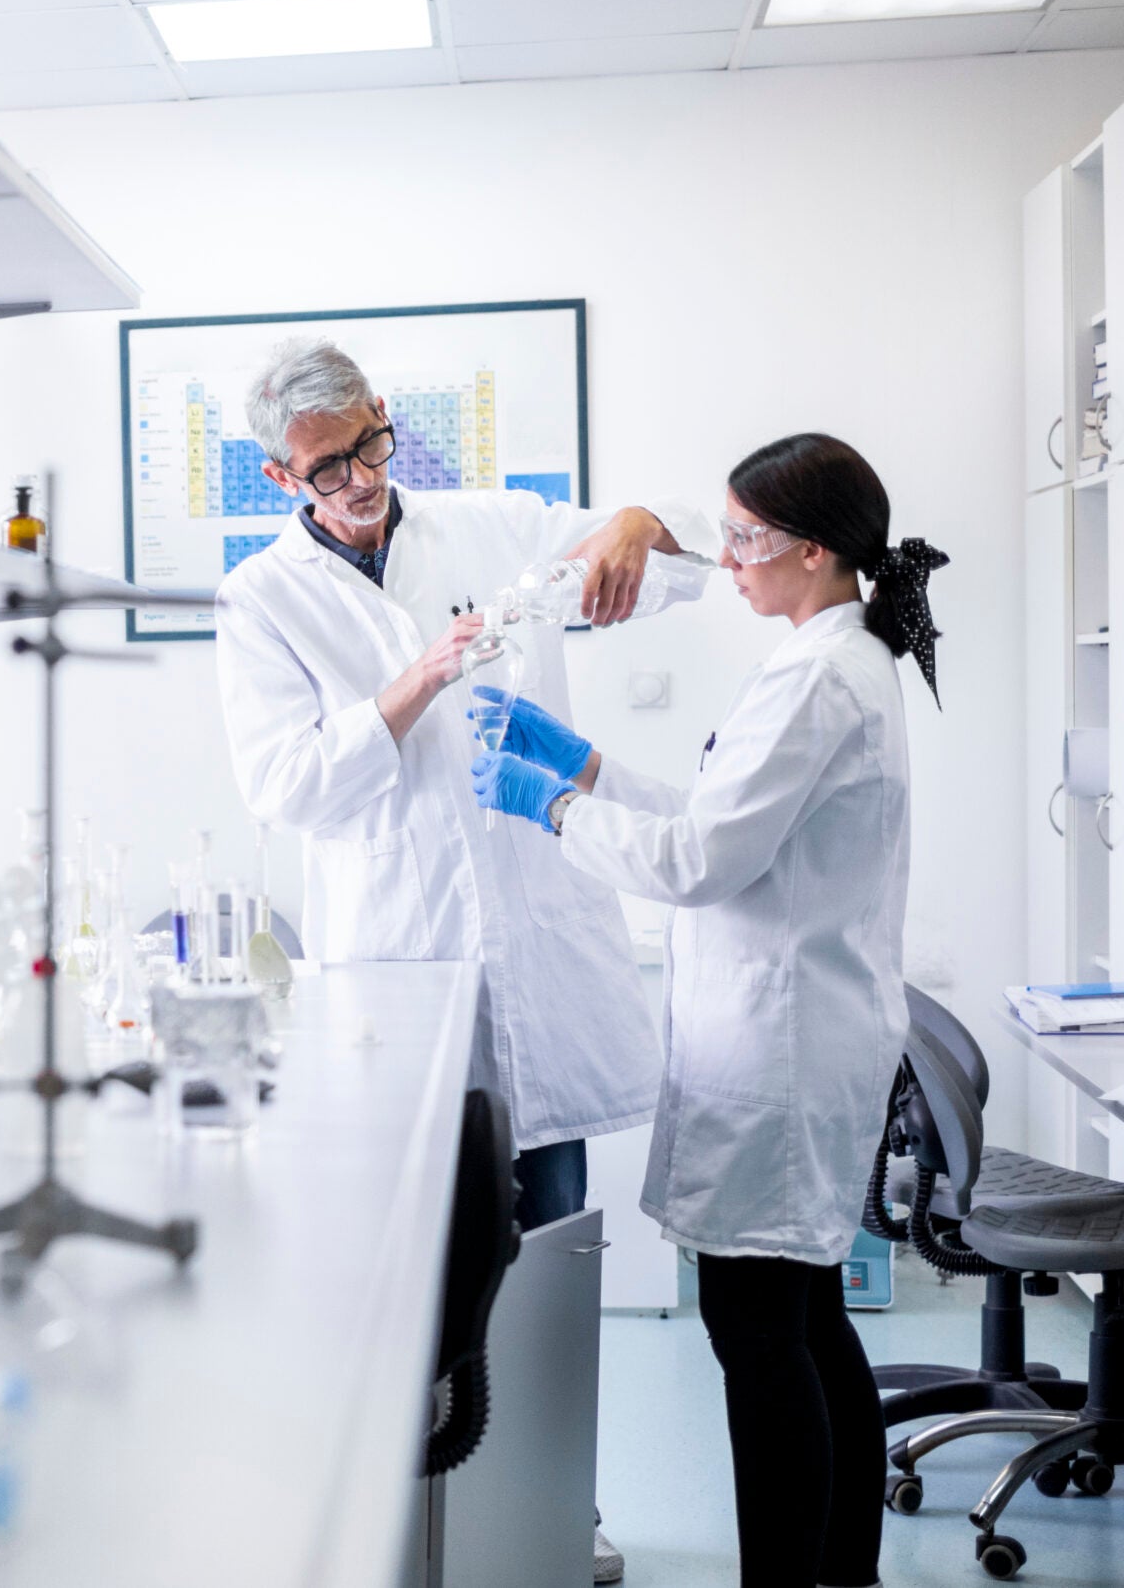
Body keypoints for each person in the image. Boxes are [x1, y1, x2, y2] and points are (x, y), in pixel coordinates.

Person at [218, 339, 713, 1582]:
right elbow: (283, 789)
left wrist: (636, 526)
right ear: (279, 469)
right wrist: (418, 678)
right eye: (325, 468)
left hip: (537, 953)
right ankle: (416, 1522)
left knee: (549, 1256)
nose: (356, 482)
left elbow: (675, 562)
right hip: (400, 967)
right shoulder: (261, 599)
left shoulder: (496, 526)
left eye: (368, 447)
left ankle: (556, 1514)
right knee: (418, 1274)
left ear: (387, 421)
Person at [470, 432, 944, 1588]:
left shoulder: (826, 676)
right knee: (805, 1319)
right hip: (790, 1035)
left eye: (743, 540)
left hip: (780, 1052)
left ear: (813, 551)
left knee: (756, 1336)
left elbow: (694, 861)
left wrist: (548, 808)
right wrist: (583, 766)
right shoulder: (822, 656)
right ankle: (842, 1572)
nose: (723, 562)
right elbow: (718, 813)